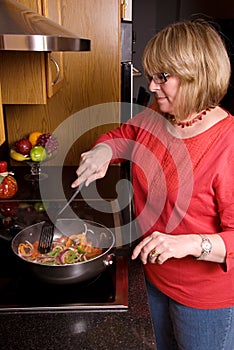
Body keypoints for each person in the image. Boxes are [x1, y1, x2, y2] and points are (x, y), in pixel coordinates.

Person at [71, 19, 234, 350]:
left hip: (204, 299)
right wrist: (103, 150)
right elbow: (125, 136)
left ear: (197, 75)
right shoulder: (159, 114)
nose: (153, 86)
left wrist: (187, 244)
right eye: (152, 75)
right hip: (154, 277)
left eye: (163, 77)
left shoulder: (228, 144)